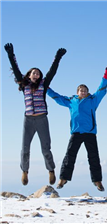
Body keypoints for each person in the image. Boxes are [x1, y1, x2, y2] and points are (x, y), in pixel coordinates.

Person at [4, 43, 66, 186]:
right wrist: (10, 55)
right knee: (25, 148)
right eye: (34, 72)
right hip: (28, 120)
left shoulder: (43, 84)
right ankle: (24, 171)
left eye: (38, 73)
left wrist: (57, 58)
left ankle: (51, 170)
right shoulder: (23, 84)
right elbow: (15, 68)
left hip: (42, 119)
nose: (36, 75)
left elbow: (52, 71)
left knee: (45, 147)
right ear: (30, 75)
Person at [47, 65, 107, 191]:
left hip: (90, 133)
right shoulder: (71, 101)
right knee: (69, 156)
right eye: (80, 90)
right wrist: (46, 88)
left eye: (85, 90)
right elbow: (57, 97)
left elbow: (102, 89)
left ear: (87, 92)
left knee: (94, 157)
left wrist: (106, 74)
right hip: (76, 133)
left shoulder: (93, 100)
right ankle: (63, 179)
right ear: (77, 92)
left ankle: (97, 181)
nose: (83, 92)